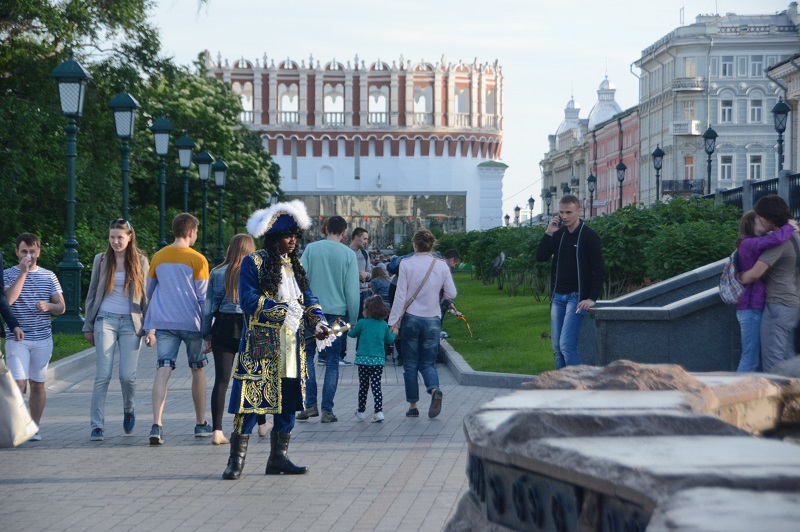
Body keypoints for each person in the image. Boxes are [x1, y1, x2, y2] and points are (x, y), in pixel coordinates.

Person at [222, 200, 332, 480]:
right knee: (250, 402)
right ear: (274, 238)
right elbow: (247, 300)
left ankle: (278, 458)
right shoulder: (253, 262)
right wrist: (282, 310)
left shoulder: (295, 266)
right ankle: (235, 461)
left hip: (292, 348)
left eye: (295, 235)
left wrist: (318, 321)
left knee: (289, 401)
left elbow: (309, 298)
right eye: (287, 235)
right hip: (260, 345)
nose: (293, 240)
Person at [83, 220, 154, 441]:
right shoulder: (101, 260)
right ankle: (97, 426)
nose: (115, 241)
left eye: (119, 237)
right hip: (105, 319)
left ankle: (129, 408)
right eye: (112, 237)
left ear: (130, 237)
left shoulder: (141, 261)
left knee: (127, 376)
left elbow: (148, 297)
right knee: (102, 375)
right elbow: (92, 292)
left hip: (131, 323)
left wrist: (150, 328)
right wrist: (88, 324)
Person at [144, 213, 211, 445]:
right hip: (192, 322)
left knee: (163, 369)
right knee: (198, 369)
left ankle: (157, 425)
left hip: (164, 323)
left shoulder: (158, 257)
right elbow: (204, 298)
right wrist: (208, 329)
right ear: (192, 232)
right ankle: (201, 423)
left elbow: (149, 291)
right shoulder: (198, 259)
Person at [202, 234, 272, 445]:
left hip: (223, 327)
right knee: (255, 377)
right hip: (249, 327)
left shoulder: (217, 272)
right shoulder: (258, 271)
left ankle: (217, 430)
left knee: (221, 381)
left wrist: (207, 334)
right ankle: (261, 424)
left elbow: (208, 308)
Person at [297, 215, 360, 423]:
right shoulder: (348, 254)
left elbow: (299, 280)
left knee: (307, 359)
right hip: (337, 315)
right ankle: (327, 410)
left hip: (311, 312)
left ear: (325, 229)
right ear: (344, 233)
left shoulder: (311, 249)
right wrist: (354, 316)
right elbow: (352, 291)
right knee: (333, 361)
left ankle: (310, 404)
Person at [3, 233, 65, 440]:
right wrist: (23, 273)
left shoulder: (49, 276)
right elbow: (8, 301)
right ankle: (17, 424)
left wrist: (49, 306)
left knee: (38, 383)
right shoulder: (8, 274)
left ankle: (34, 427)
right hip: (17, 338)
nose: (28, 255)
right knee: (18, 383)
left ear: (38, 252)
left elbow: (61, 307)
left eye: (31, 251)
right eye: (24, 251)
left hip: (42, 338)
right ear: (17, 252)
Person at [388, 229, 456, 419]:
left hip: (411, 318)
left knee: (410, 365)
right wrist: (438, 296)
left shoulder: (406, 264)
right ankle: (434, 390)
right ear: (431, 245)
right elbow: (451, 293)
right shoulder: (441, 265)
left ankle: (413, 406)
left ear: (414, 245)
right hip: (433, 318)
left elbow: (400, 296)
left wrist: (393, 322)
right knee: (428, 363)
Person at [535, 194, 604, 369]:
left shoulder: (589, 236)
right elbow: (541, 257)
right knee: (557, 348)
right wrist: (548, 232)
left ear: (578, 211)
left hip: (577, 298)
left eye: (569, 212)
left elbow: (598, 269)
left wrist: (591, 298)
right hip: (558, 297)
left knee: (566, 345)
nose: (564, 216)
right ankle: (561, 387)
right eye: (561, 212)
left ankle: (575, 387)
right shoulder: (559, 235)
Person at [738, 195, 800, 372]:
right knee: (788, 358)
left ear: (768, 217)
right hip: (793, 305)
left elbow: (754, 275)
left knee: (773, 365)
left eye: (760, 216)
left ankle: (775, 399)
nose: (758, 219)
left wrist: (740, 276)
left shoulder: (779, 242)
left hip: (778, 304)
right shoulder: (796, 237)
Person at [349, 295, 395, 423]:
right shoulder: (384, 325)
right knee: (376, 386)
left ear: (367, 310)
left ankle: (361, 410)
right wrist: (394, 332)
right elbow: (389, 340)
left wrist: (349, 328)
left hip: (363, 360)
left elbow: (352, 335)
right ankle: (378, 411)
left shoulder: (362, 323)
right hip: (378, 361)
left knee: (363, 386)